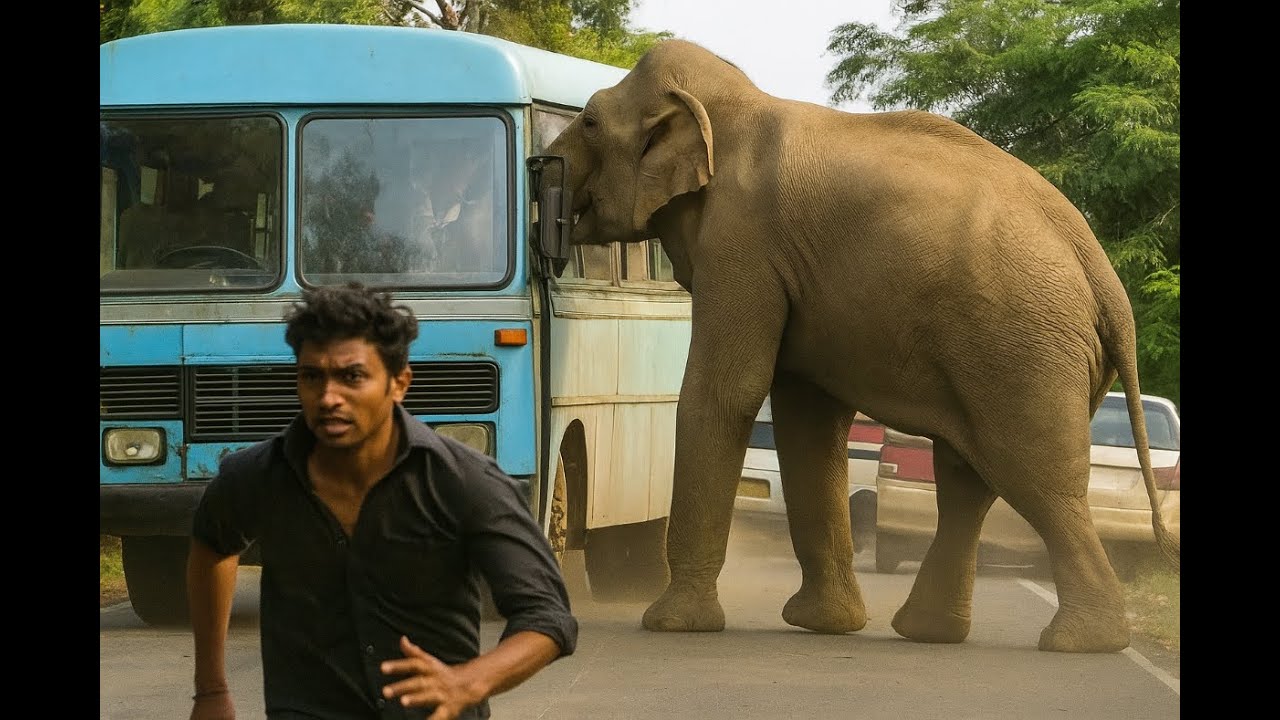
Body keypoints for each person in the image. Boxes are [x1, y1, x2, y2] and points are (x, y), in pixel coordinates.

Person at [186, 282, 577, 720]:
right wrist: (211, 691)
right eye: (312, 376)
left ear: (399, 383)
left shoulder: (462, 481)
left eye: (352, 376)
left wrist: (467, 682)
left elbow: (547, 617)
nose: (329, 397)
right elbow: (211, 546)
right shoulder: (256, 476)